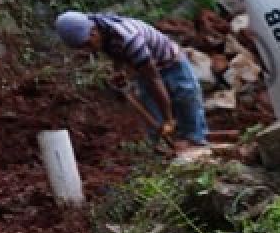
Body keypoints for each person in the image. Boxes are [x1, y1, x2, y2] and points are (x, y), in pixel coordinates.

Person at [55, 11, 208, 147]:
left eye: (87, 44)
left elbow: (154, 79)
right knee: (151, 109)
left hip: (172, 62)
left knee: (186, 98)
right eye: (82, 47)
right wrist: (119, 72)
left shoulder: (128, 37)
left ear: (94, 32)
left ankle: (195, 139)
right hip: (144, 67)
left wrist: (169, 119)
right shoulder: (101, 29)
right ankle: (161, 147)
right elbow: (115, 52)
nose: (87, 50)